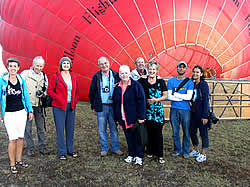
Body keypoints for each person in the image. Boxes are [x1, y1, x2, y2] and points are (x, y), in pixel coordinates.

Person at [0, 57, 33, 174]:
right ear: (7, 67)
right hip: (9, 114)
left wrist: (30, 110)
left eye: (15, 66)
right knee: (12, 139)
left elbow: (26, 96)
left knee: (20, 138)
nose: (13, 68)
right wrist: (1, 114)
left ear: (18, 68)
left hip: (21, 112)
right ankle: (12, 163)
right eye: (11, 66)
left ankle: (19, 161)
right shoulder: (2, 81)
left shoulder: (20, 80)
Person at [88, 56, 122, 156]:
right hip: (101, 106)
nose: (104, 65)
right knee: (101, 128)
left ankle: (116, 148)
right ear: (99, 66)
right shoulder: (96, 76)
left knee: (113, 127)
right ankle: (104, 148)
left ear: (109, 63)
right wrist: (93, 107)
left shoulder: (116, 75)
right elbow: (92, 93)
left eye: (105, 63)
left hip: (113, 106)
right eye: (101, 64)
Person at [113, 65, 146, 166]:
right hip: (123, 117)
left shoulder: (136, 86)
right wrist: (117, 118)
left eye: (126, 73)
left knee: (137, 137)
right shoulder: (117, 87)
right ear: (119, 75)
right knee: (128, 137)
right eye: (122, 73)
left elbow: (142, 101)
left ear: (129, 74)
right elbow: (115, 103)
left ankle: (139, 156)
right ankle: (131, 154)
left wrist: (141, 117)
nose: (124, 75)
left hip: (134, 117)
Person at [47, 57, 79, 160]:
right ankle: (62, 152)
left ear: (70, 65)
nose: (66, 65)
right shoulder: (55, 76)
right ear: (61, 65)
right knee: (60, 129)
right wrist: (58, 98)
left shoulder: (74, 76)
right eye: (64, 63)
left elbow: (77, 91)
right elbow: (50, 91)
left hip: (71, 106)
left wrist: (75, 101)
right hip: (59, 106)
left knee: (70, 129)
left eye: (67, 63)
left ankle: (70, 149)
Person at [138, 61, 168, 164]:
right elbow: (133, 85)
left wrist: (156, 100)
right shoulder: (142, 81)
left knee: (158, 133)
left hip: (158, 111)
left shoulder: (161, 81)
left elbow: (165, 95)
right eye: (150, 69)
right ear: (147, 70)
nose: (152, 71)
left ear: (157, 70)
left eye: (154, 69)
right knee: (149, 132)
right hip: (147, 111)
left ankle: (160, 154)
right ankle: (150, 151)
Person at [21, 56, 49, 156]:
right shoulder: (25, 74)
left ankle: (42, 147)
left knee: (41, 127)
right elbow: (20, 88)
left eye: (41, 66)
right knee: (28, 128)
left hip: (39, 105)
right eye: (37, 65)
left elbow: (46, 90)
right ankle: (30, 148)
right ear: (33, 64)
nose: (39, 68)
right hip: (28, 106)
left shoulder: (44, 76)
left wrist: (43, 94)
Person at [167, 61, 194, 158]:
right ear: (177, 68)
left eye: (183, 67)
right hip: (174, 109)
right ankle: (177, 150)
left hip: (186, 110)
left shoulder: (189, 82)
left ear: (186, 69)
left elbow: (189, 97)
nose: (181, 69)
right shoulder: (171, 81)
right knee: (175, 131)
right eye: (180, 67)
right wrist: (182, 96)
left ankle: (186, 151)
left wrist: (176, 95)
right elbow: (169, 96)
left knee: (186, 131)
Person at [189, 66, 210, 162]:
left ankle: (203, 154)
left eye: (197, 72)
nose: (195, 74)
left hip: (201, 113)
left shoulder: (204, 85)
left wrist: (205, 116)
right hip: (193, 113)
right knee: (192, 131)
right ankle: (196, 149)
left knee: (203, 134)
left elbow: (206, 101)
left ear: (201, 74)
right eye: (194, 72)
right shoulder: (192, 84)